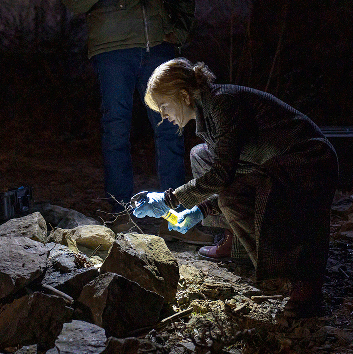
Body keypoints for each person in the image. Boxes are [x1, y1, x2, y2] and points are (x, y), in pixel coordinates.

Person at [61, 0, 211, 245]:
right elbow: (71, 0)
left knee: (170, 129)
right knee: (116, 128)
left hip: (159, 46)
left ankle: (177, 216)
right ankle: (119, 215)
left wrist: (177, 30)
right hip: (113, 49)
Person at [132, 58, 339, 318]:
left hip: (307, 162)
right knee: (201, 154)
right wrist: (199, 212)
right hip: (272, 163)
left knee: (232, 195)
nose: (163, 117)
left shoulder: (222, 103)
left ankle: (301, 282)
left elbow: (222, 175)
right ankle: (238, 245)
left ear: (184, 95)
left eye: (164, 107)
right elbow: (225, 173)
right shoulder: (208, 110)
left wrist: (170, 199)